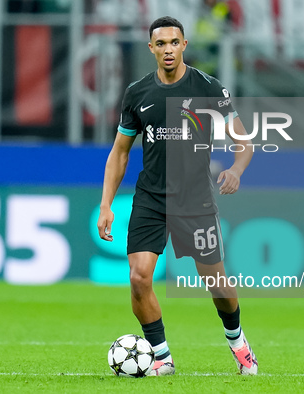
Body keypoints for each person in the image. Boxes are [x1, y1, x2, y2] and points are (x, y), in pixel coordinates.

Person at [97, 16, 257, 376]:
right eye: (161, 43)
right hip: (151, 198)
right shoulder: (138, 93)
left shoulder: (207, 88)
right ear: (151, 48)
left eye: (174, 42)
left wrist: (235, 169)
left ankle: (239, 344)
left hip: (195, 200)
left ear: (184, 45)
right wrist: (106, 203)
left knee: (216, 282)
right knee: (139, 277)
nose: (168, 49)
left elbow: (244, 143)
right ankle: (161, 357)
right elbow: (119, 152)